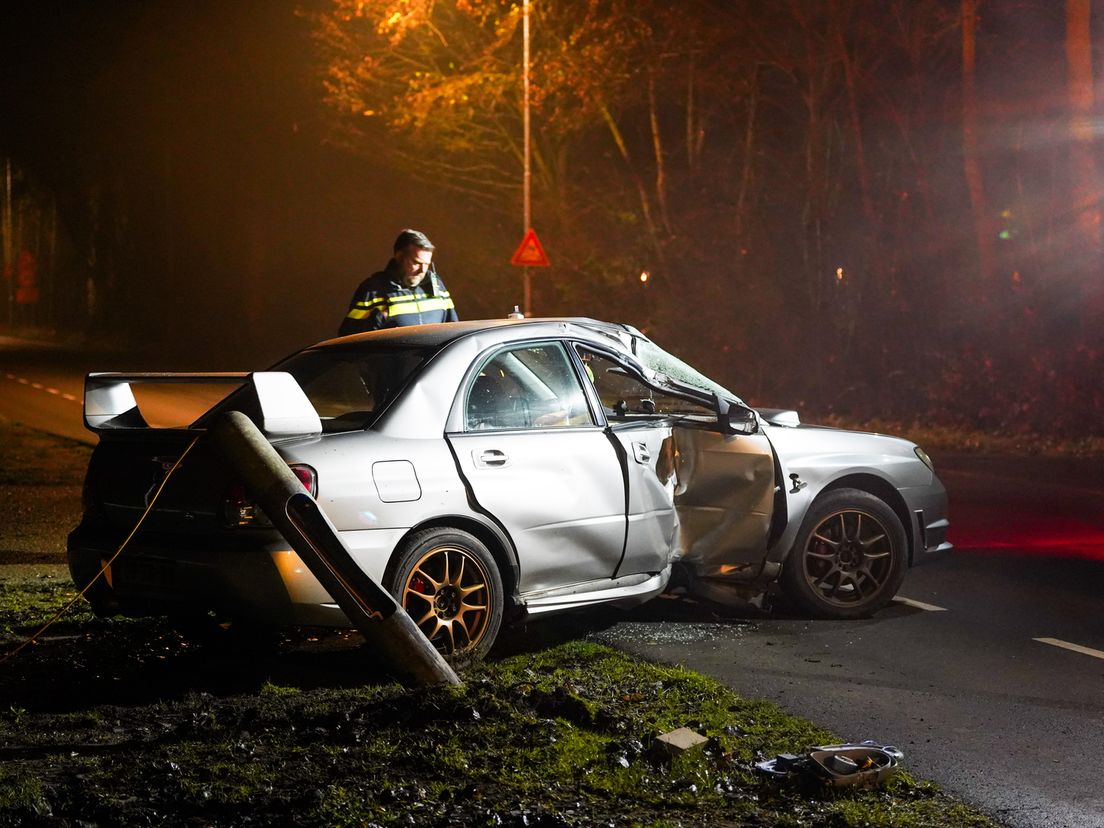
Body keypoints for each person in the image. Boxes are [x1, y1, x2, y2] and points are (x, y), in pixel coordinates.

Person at [339, 229, 458, 335]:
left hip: (434, 361)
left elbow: (454, 329)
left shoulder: (436, 286)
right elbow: (347, 338)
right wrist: (377, 320)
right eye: (416, 263)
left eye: (427, 264)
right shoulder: (373, 290)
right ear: (399, 256)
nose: (422, 270)